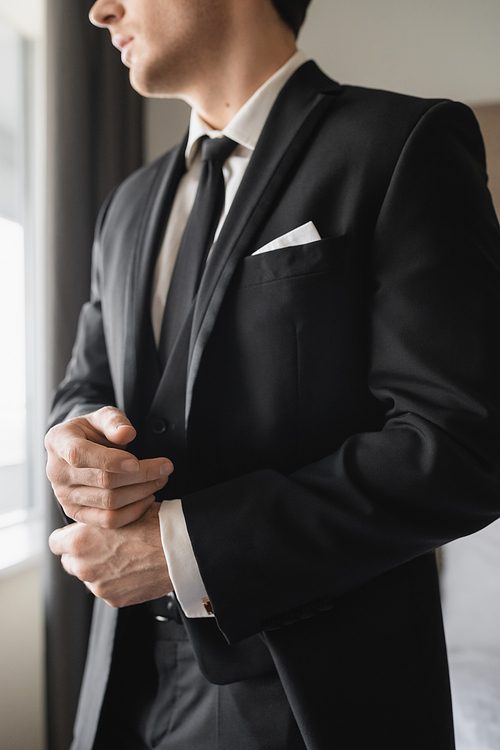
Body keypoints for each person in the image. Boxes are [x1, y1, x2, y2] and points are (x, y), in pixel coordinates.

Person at [45, 0, 500, 748]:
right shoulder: (124, 207)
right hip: (121, 689)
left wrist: (188, 551)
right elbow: (84, 385)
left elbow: (457, 445)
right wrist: (74, 445)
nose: (100, 10)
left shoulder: (401, 144)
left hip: (315, 700)